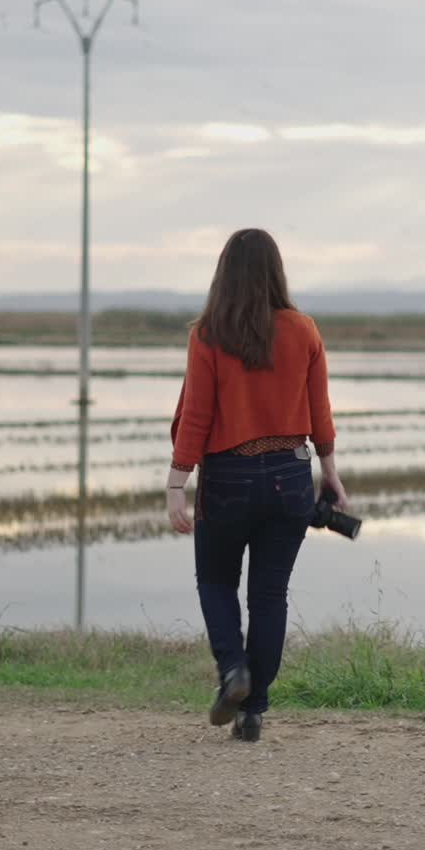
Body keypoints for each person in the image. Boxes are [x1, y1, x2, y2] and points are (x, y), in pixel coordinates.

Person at [166, 228, 348, 742]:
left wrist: (176, 485)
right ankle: (253, 712)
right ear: (276, 270)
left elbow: (196, 417)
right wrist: (329, 474)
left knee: (216, 583)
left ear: (223, 272)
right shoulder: (304, 330)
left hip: (227, 477)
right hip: (290, 477)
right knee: (269, 596)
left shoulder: (208, 334)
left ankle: (234, 673)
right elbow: (321, 414)